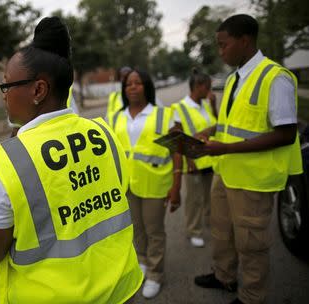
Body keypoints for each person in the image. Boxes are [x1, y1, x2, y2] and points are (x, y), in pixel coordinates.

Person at [0, 16, 143, 303]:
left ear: (38, 90)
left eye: (7, 85)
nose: (4, 95)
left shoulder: (2, 163)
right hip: (121, 289)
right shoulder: (103, 132)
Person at [193, 14, 301, 304]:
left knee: (251, 244)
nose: (220, 51)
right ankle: (224, 276)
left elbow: (286, 134)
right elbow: (235, 121)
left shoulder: (275, 77)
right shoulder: (234, 78)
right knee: (222, 233)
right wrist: (212, 128)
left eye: (223, 44)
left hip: (253, 180)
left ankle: (252, 296)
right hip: (226, 172)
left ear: (244, 41)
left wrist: (225, 149)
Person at [108, 68, 181, 299]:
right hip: (127, 185)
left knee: (155, 231)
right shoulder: (117, 117)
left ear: (147, 87)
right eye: (129, 83)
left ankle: (155, 274)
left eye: (138, 83)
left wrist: (176, 186)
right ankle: (141, 262)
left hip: (155, 184)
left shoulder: (163, 114)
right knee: (136, 229)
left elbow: (177, 150)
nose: (132, 87)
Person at [172, 68, 217, 248]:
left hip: (210, 159)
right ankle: (194, 231)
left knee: (210, 198)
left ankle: (210, 224)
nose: (210, 91)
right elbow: (178, 138)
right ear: (197, 86)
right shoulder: (179, 108)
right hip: (194, 162)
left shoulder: (205, 104)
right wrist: (189, 161)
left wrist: (213, 106)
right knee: (194, 200)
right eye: (207, 87)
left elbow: (218, 125)